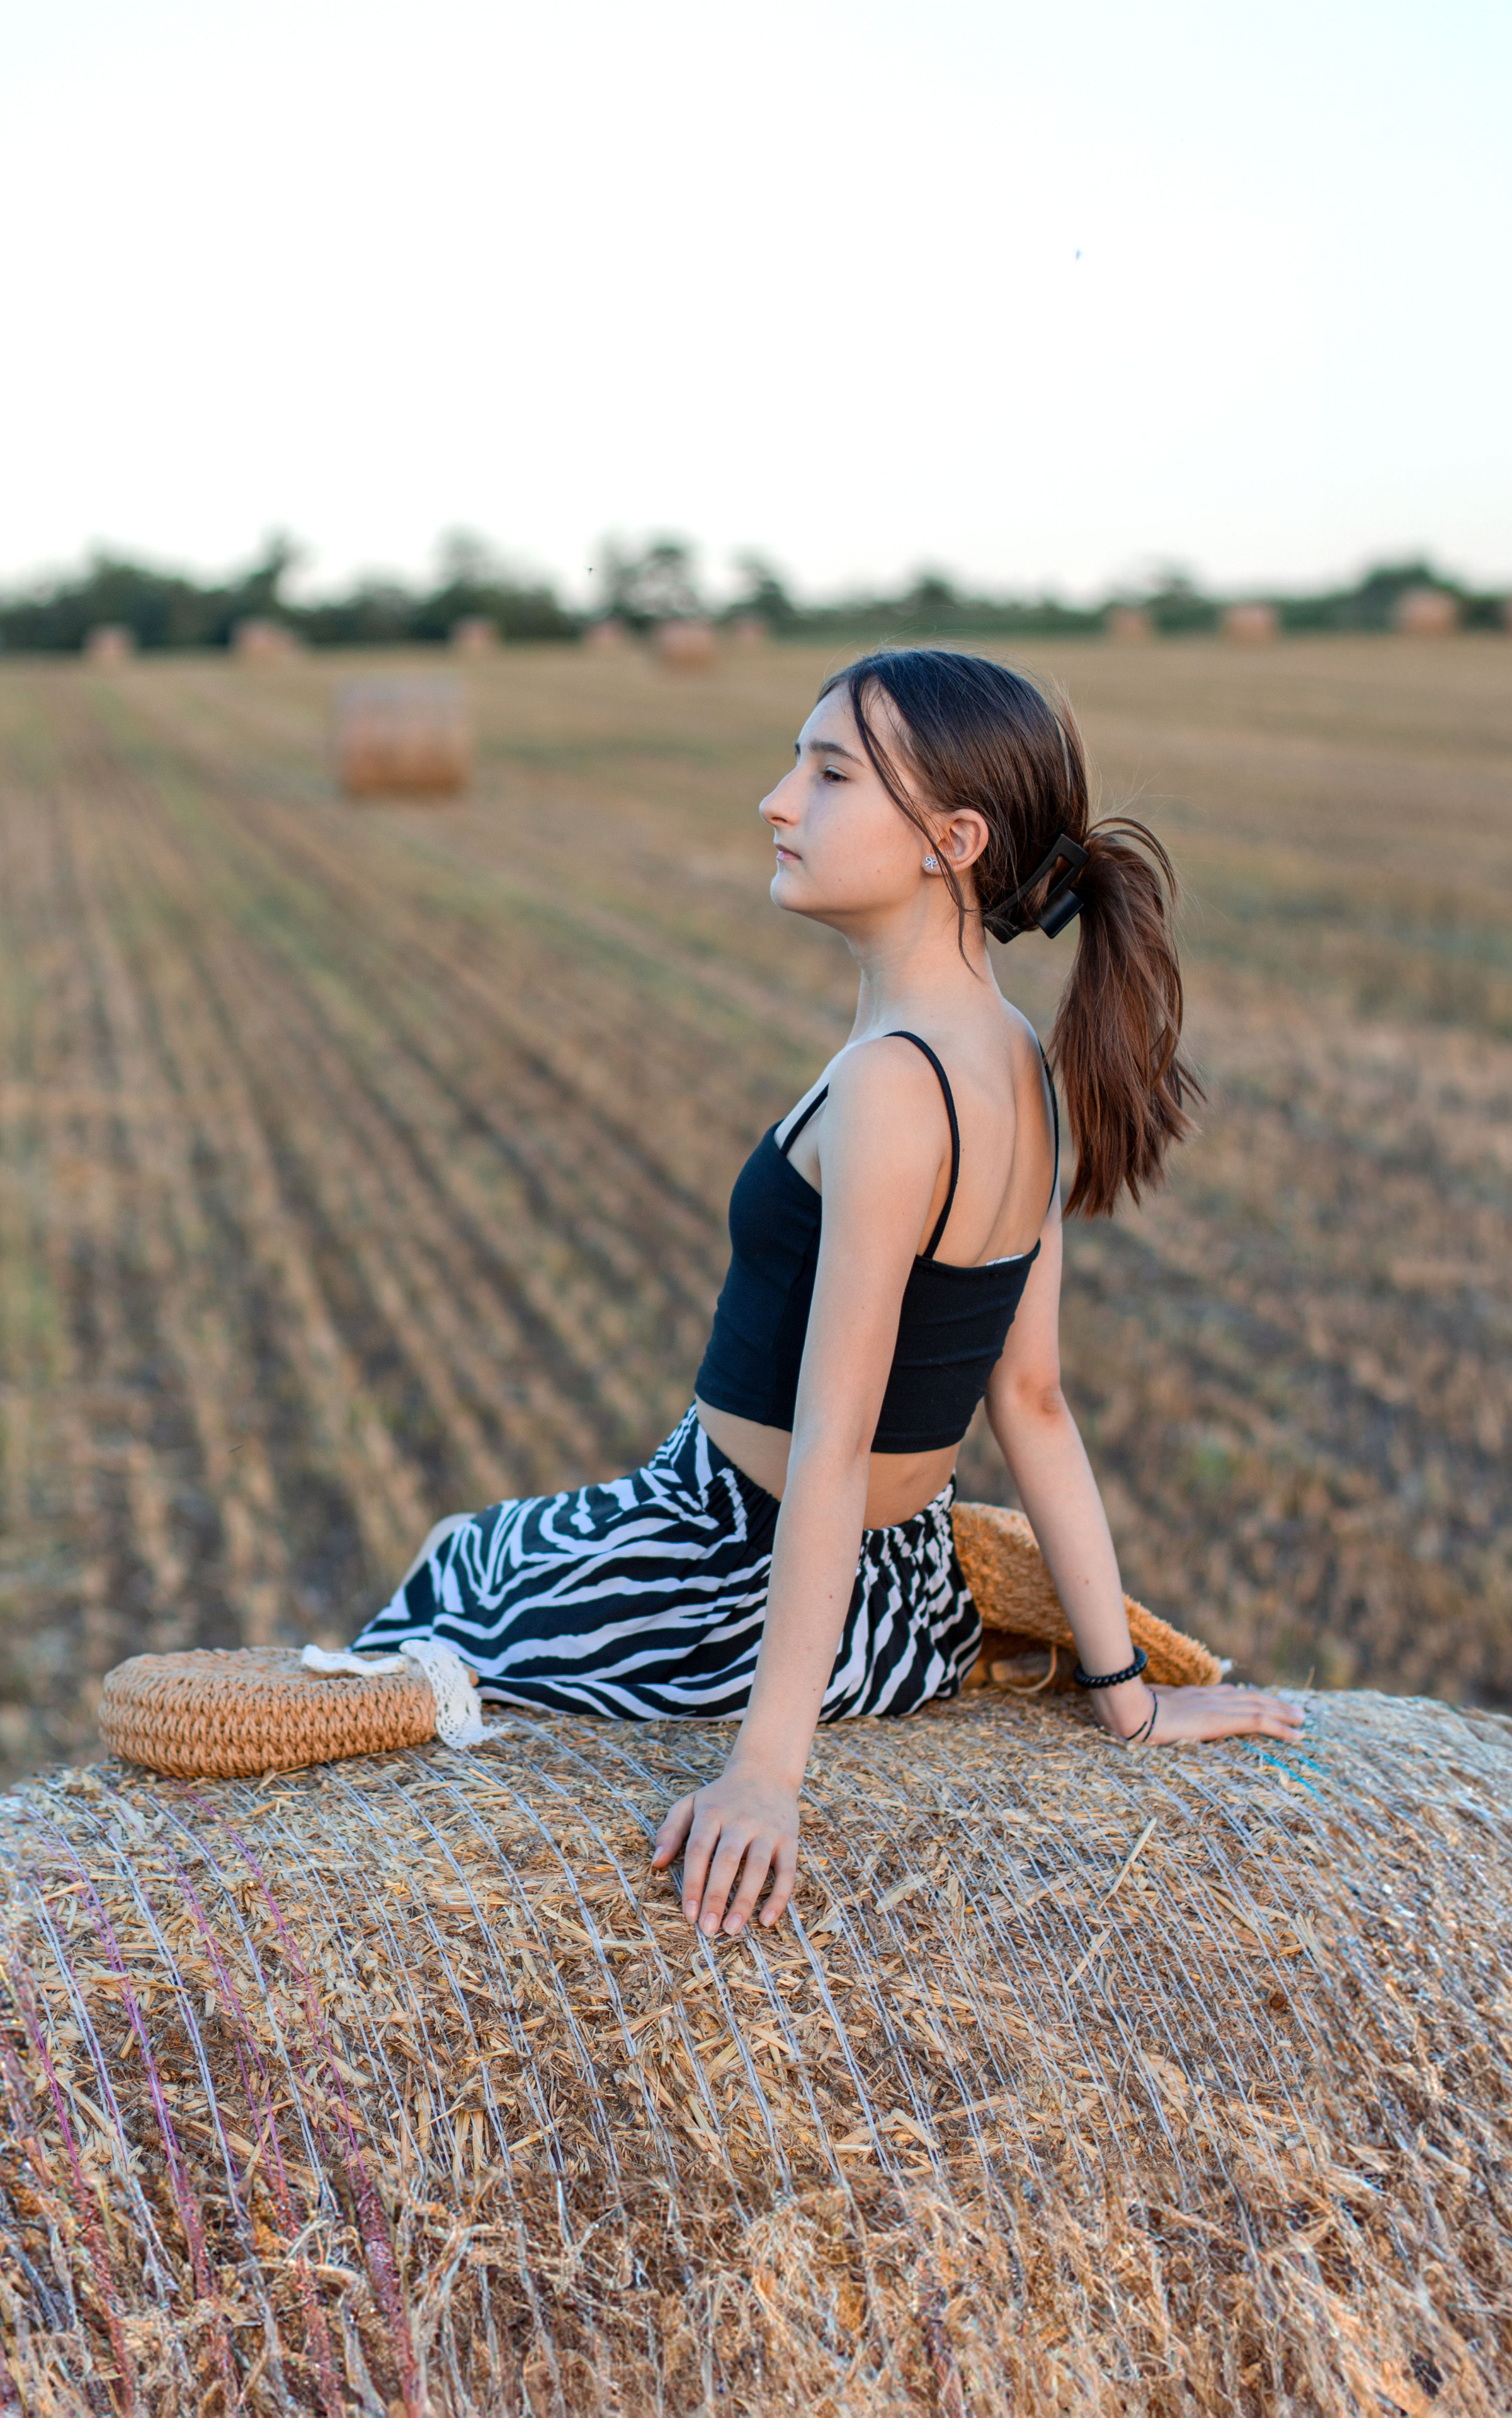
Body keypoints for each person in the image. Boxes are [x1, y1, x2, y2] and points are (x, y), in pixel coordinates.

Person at [352, 648, 1303, 1938]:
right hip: (903, 1610)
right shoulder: (1014, 1058)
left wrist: (763, 1774)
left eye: (829, 773)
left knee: (456, 1566)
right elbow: (1032, 1405)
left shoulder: (891, 1086)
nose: (776, 800)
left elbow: (832, 1444)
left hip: (712, 1579)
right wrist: (1124, 1696)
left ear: (949, 841)